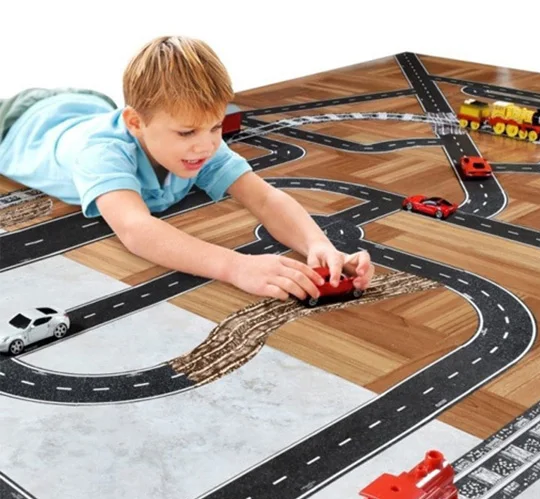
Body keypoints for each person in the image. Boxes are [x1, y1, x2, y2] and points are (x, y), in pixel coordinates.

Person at [0, 36, 374, 301]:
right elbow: (136, 230)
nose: (206, 145)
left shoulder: (200, 144)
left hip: (87, 105)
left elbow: (263, 198)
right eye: (187, 132)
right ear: (135, 124)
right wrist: (236, 266)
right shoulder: (101, 153)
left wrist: (319, 245)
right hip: (20, 123)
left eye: (215, 127)